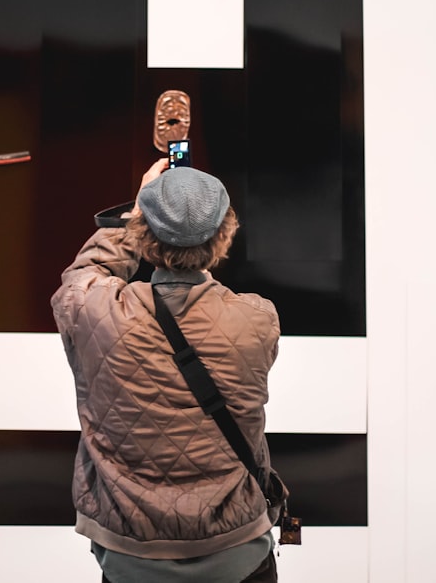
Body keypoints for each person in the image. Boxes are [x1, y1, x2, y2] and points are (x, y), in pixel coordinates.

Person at [51, 159, 282, 583]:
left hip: (129, 556)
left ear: (141, 233)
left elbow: (84, 274)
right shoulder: (257, 318)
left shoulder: (94, 311)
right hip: (237, 550)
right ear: (225, 235)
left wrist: (133, 216)